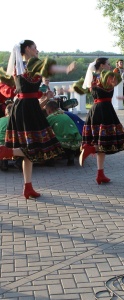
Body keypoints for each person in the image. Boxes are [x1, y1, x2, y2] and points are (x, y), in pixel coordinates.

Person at [0, 39, 76, 199]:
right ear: (27, 49)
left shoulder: (22, 67)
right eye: (35, 47)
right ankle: (5, 151)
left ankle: (28, 186)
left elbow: (26, 88)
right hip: (26, 108)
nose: (37, 50)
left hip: (27, 106)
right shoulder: (27, 65)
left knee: (31, 149)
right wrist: (66, 68)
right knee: (35, 146)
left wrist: (42, 95)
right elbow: (47, 69)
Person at [77, 57, 124, 184]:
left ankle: (100, 174)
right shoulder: (107, 76)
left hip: (95, 109)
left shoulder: (93, 77)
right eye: (107, 64)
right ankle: (90, 149)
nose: (110, 66)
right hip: (105, 109)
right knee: (104, 141)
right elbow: (119, 80)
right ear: (101, 65)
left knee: (101, 142)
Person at [45, 101, 81, 166]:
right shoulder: (65, 115)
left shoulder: (50, 118)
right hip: (76, 141)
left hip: (63, 142)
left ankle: (50, 159)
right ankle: (71, 157)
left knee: (46, 138)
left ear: (49, 110)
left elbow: (45, 130)